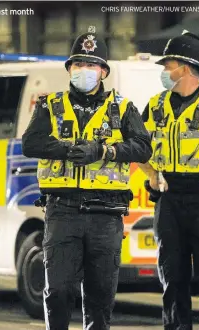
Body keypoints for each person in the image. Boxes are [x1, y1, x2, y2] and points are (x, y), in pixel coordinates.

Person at [22, 31, 152, 330]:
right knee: (57, 291)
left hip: (106, 214)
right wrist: (68, 150)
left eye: (91, 65)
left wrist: (104, 150)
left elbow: (144, 147)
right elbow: (31, 143)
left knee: (100, 295)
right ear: (69, 69)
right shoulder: (49, 105)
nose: (84, 70)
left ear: (103, 71)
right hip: (62, 209)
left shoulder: (123, 108)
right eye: (78, 64)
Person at [139, 30, 199, 329]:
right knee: (172, 281)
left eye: (169, 65)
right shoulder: (155, 106)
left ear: (187, 68)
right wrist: (152, 175)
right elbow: (135, 147)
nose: (165, 71)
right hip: (169, 200)